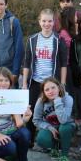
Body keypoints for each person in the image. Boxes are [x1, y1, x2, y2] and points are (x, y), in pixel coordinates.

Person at [22, 9, 67, 144]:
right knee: (30, 110)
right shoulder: (32, 39)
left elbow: (64, 64)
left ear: (54, 22)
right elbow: (27, 62)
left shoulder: (58, 40)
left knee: (53, 112)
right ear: (39, 22)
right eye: (44, 21)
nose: (47, 24)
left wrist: (62, 84)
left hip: (52, 83)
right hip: (35, 81)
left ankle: (55, 142)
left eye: (49, 21)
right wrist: (24, 83)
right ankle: (29, 140)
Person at [33, 77, 75, 161]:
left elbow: (63, 120)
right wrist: (49, 127)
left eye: (53, 87)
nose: (50, 91)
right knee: (41, 139)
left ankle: (64, 155)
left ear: (59, 88)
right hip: (51, 126)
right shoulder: (41, 101)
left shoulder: (68, 99)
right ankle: (54, 148)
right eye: (47, 90)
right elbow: (36, 120)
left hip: (66, 126)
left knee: (64, 128)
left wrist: (57, 101)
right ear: (44, 92)